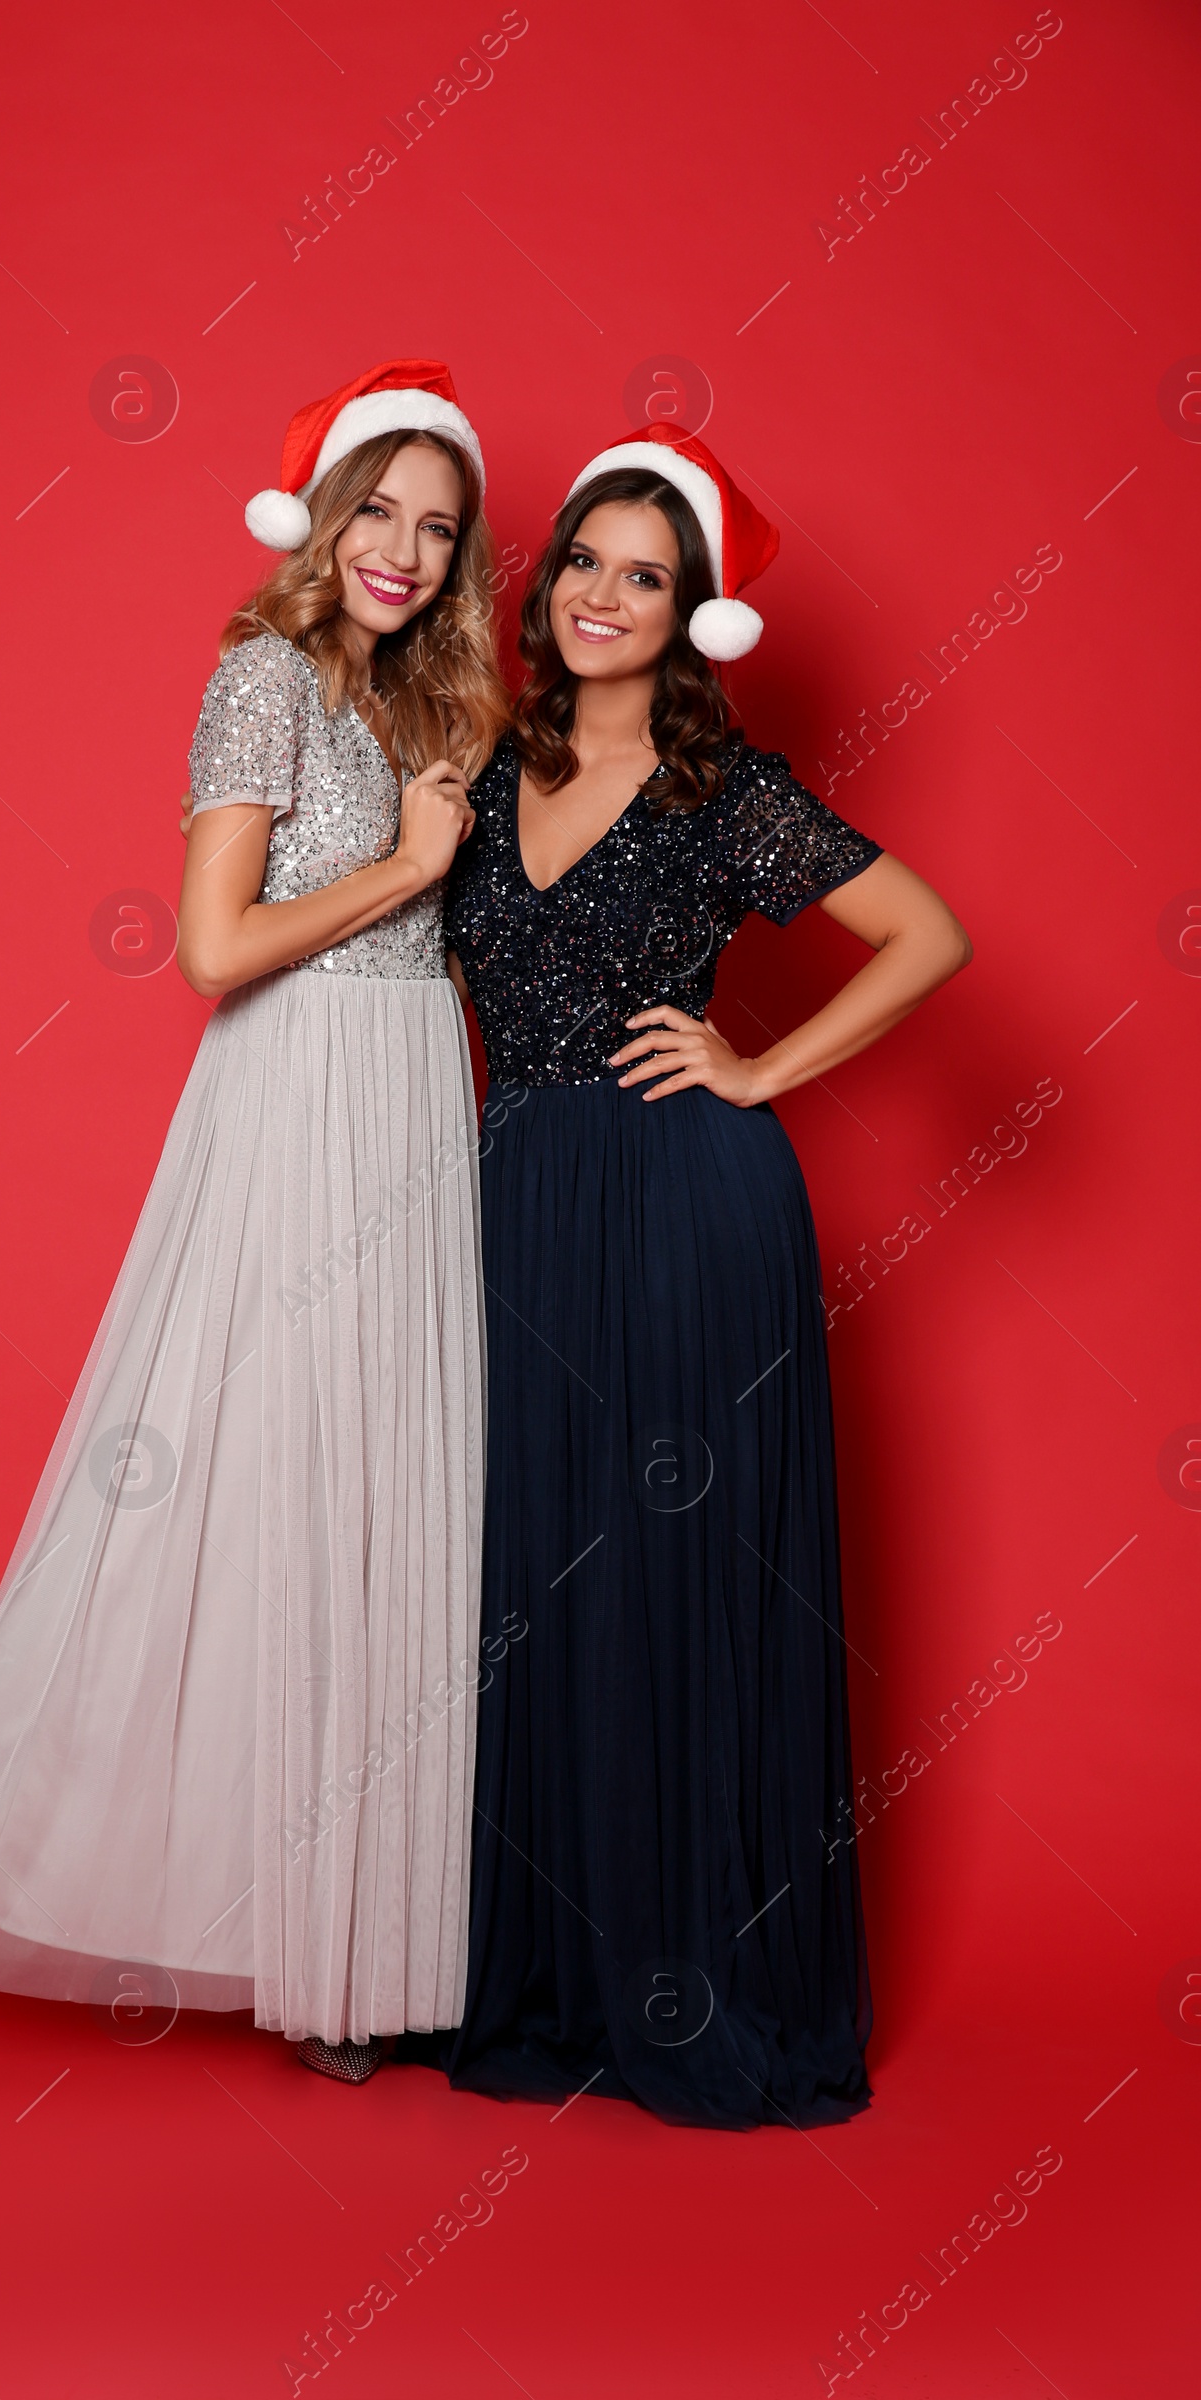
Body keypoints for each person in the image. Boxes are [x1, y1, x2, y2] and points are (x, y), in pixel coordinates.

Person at [0, 360, 508, 2105]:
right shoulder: (260, 676)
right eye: (380, 511)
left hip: (419, 1108)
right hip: (288, 1107)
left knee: (367, 1508)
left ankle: (340, 1950)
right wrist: (412, 871)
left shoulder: (441, 709)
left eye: (438, 525)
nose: (403, 550)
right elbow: (210, 948)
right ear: (324, 515)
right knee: (189, 1493)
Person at [420, 424, 971, 2127]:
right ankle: (551, 1974)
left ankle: (697, 1987)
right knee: (529, 1585)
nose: (602, 594)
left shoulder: (721, 793)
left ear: (694, 613)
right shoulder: (473, 760)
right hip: (516, 1205)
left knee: (665, 1578)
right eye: (584, 558)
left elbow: (931, 937)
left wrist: (755, 1069)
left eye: (645, 575)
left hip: (681, 1207)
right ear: (545, 578)